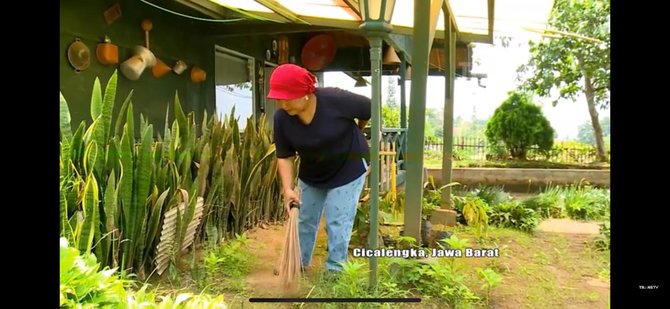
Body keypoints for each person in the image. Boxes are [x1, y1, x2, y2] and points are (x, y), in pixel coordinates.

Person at [267, 64, 371, 273]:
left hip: (348, 167)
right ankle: (299, 263)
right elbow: (285, 156)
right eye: (279, 98)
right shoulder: (282, 119)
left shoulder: (337, 99)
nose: (283, 103)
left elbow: (368, 109)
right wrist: (288, 189)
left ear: (306, 93)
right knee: (305, 217)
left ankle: (335, 268)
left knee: (337, 219)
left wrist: (357, 130)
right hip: (313, 172)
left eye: (288, 97)